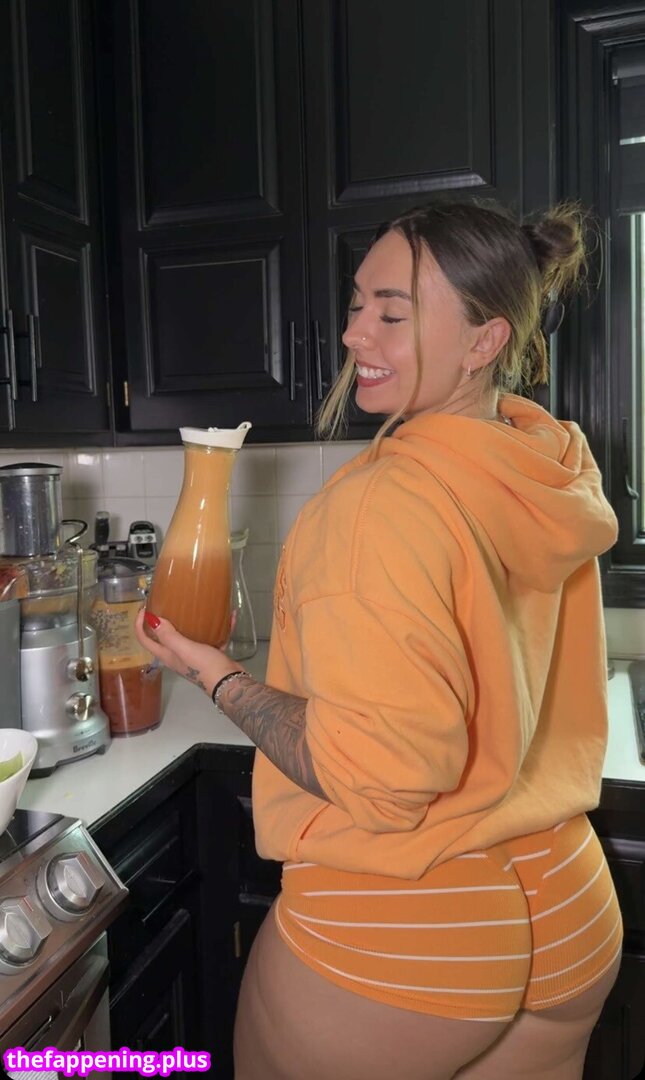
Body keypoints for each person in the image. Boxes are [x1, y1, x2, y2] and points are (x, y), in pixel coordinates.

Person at [136, 199, 622, 1080]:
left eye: (392, 314)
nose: (354, 332)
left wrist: (219, 679)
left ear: (483, 341)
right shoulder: (547, 466)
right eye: (358, 303)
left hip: (406, 931)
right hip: (565, 902)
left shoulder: (374, 505)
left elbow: (381, 775)